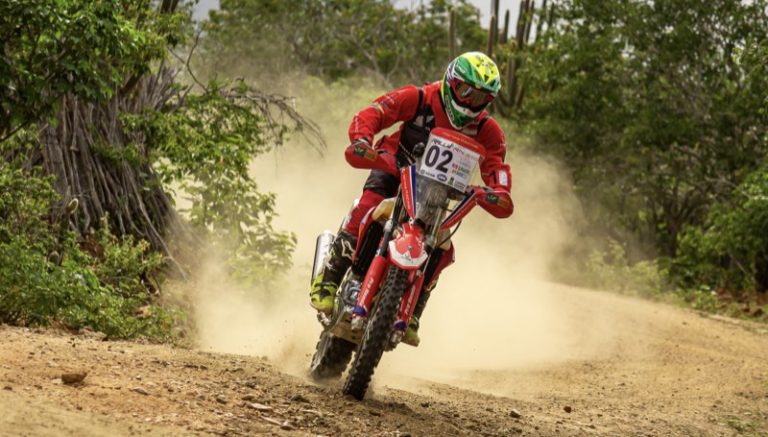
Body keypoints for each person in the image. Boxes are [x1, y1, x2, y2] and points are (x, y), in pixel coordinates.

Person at [309, 52, 513, 345]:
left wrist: (498, 191)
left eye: (480, 97)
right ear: (451, 82)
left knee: (443, 245)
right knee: (368, 207)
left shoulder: (487, 130)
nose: (470, 101)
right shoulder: (419, 98)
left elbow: (496, 166)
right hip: (395, 169)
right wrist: (362, 139)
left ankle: (414, 311)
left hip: (440, 193)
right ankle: (328, 279)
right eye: (466, 91)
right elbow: (376, 112)